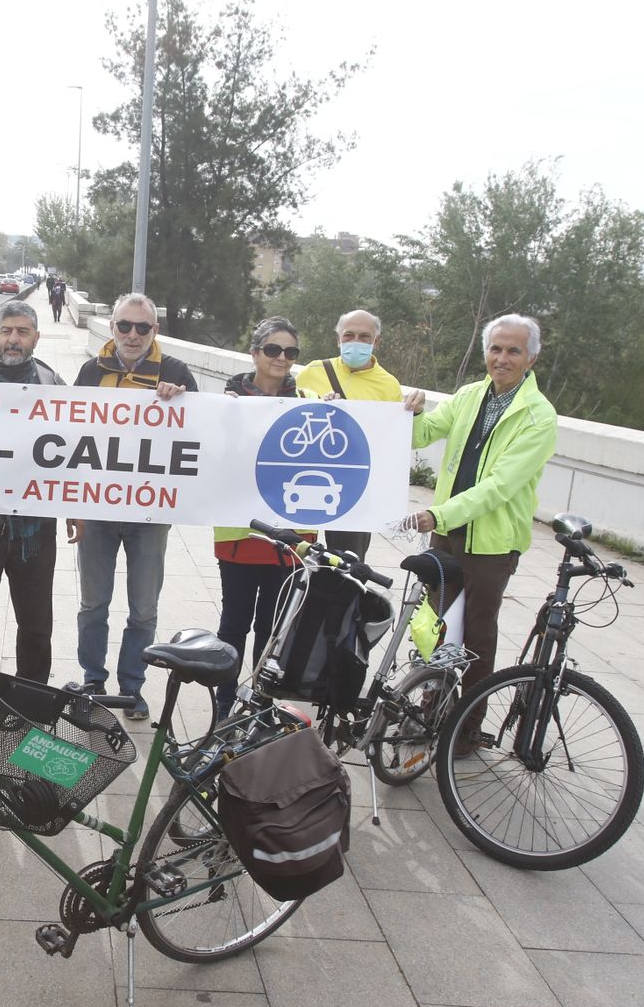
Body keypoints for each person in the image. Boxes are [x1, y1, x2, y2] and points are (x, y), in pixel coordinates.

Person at [404, 314, 558, 751]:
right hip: (448, 533)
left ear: (531, 357)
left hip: (489, 543)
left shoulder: (538, 416)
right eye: (495, 349)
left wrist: (440, 514)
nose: (502, 358)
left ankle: (465, 729)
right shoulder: (470, 395)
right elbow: (425, 433)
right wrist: (412, 415)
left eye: (513, 351)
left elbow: (501, 486)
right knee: (437, 627)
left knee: (474, 635)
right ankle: (432, 707)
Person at [72, 293, 197, 718]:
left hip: (149, 515)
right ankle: (93, 680)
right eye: (124, 325)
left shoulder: (176, 372)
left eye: (142, 327)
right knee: (93, 605)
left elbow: (199, 433)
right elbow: (71, 438)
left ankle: (132, 687)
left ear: (155, 331)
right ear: (112, 327)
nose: (132, 335)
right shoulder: (92, 371)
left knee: (143, 609)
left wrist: (182, 400)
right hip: (97, 510)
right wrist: (71, 503)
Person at [0, 300, 77, 681]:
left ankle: (32, 700)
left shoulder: (54, 384)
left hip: (35, 528)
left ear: (36, 338)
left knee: (37, 626)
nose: (13, 340)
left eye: (22, 332)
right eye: (6, 331)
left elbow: (75, 451)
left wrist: (76, 504)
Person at [213, 317, 317, 720]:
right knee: (234, 623)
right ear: (255, 353)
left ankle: (258, 701)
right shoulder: (225, 401)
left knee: (273, 629)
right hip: (239, 535)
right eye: (273, 350)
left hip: (289, 537)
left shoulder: (308, 401)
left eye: (291, 352)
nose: (282, 358)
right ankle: (223, 702)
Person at [295, 309, 404, 562]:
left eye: (365, 337)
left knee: (347, 565)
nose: (356, 342)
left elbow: (391, 441)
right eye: (349, 335)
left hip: (355, 488)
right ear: (338, 340)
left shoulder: (388, 385)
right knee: (295, 558)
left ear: (377, 342)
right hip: (306, 475)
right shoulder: (312, 372)